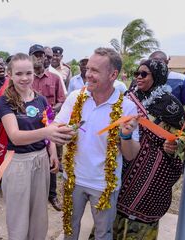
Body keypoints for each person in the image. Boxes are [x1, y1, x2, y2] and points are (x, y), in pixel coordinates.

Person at [54, 47, 140, 240]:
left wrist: (126, 136)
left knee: (103, 234)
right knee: (69, 230)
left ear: (113, 75)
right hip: (73, 179)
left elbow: (130, 155)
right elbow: (56, 127)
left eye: (95, 71)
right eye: (87, 69)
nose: (88, 75)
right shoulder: (76, 97)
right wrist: (62, 133)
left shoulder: (127, 107)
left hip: (104, 185)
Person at [0, 53, 75, 239]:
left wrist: (53, 154)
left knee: (39, 213)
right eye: (19, 74)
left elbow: (47, 125)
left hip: (41, 161)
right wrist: (46, 134)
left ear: (34, 73)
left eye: (28, 73)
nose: (24, 78)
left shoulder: (40, 99)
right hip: (18, 163)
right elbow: (15, 137)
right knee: (18, 215)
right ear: (10, 74)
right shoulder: (5, 101)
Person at [114, 59, 185, 239]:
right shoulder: (129, 97)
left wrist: (175, 145)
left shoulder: (171, 105)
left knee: (144, 213)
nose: (138, 77)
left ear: (158, 76)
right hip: (126, 163)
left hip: (155, 171)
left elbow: (182, 136)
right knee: (116, 210)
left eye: (144, 74)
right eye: (136, 74)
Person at [29, 44, 66, 211]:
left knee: (52, 159)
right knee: (31, 158)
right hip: (29, 127)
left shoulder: (55, 78)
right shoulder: (25, 78)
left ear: (45, 57)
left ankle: (52, 195)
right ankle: (33, 194)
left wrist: (49, 112)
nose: (38, 58)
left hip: (49, 124)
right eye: (35, 55)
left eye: (41, 55)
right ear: (29, 57)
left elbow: (61, 100)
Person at [149, 51, 185, 128]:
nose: (155, 64)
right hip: (149, 128)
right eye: (151, 62)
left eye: (158, 61)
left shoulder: (182, 79)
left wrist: (184, 131)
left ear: (167, 62)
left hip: (173, 129)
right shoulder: (147, 79)